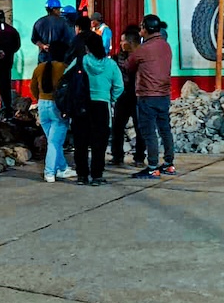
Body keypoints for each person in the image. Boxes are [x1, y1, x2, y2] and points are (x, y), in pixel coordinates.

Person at [68, 32, 123, 186]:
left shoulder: (80, 61)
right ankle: (97, 176)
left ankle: (82, 176)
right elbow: (119, 86)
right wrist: (110, 98)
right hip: (102, 105)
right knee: (99, 143)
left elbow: (66, 77)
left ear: (87, 48)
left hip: (82, 105)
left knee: (81, 142)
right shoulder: (111, 64)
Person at [129, 15, 176, 179]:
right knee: (165, 130)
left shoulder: (143, 49)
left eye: (141, 26)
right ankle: (169, 164)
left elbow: (130, 65)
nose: (140, 29)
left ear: (146, 29)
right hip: (164, 95)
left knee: (149, 133)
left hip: (147, 95)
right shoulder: (166, 46)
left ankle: (152, 167)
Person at [30, 40, 77, 183]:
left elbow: (33, 88)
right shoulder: (66, 68)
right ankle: (50, 172)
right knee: (54, 142)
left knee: (53, 141)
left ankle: (62, 168)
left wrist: (41, 99)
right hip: (58, 108)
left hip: (42, 106)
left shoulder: (40, 68)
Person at [110, 27, 142, 166]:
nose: (121, 43)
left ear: (130, 42)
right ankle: (117, 156)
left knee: (139, 127)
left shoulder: (141, 57)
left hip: (138, 96)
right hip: (122, 96)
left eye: (123, 41)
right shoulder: (118, 58)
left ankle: (140, 157)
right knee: (117, 127)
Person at [30, 0, 74, 64]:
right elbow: (70, 39)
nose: (60, 11)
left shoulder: (39, 22)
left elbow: (34, 39)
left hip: (43, 58)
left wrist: (43, 46)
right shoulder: (64, 22)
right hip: (59, 57)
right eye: (58, 9)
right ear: (54, 9)